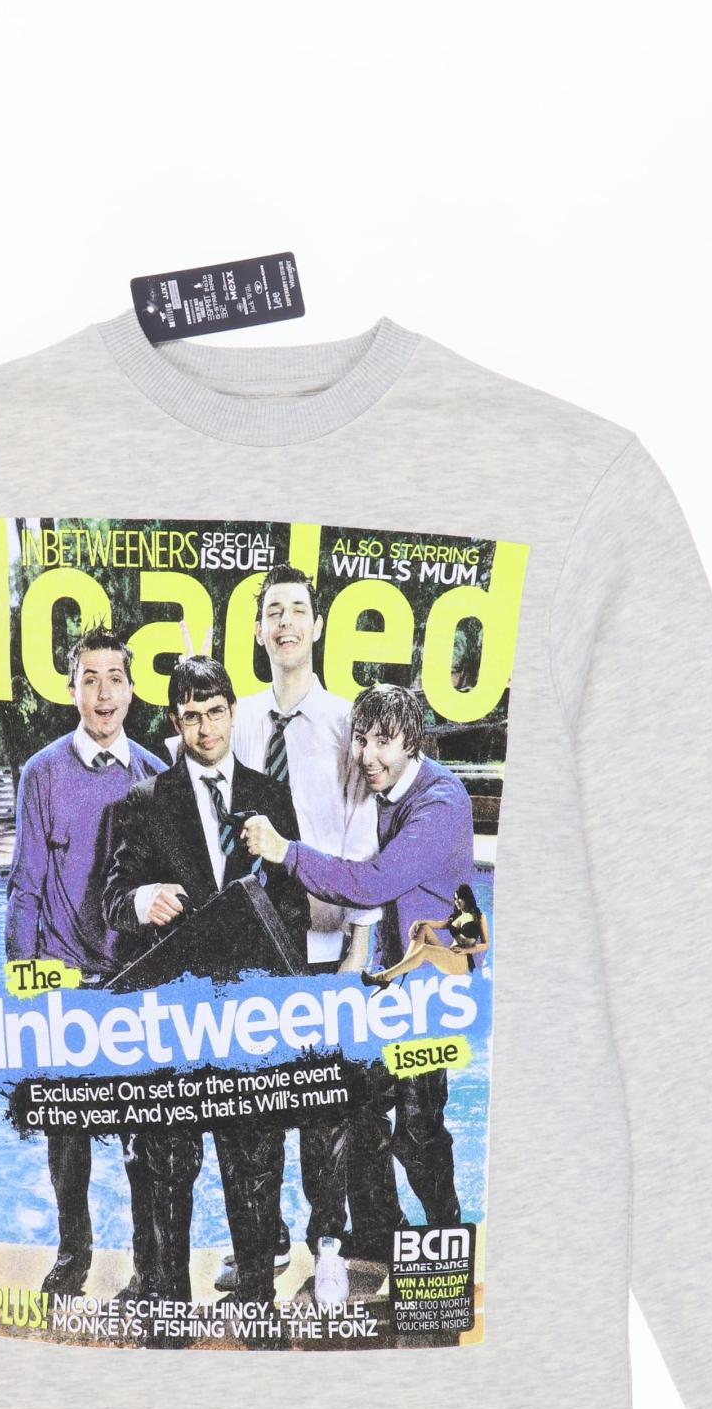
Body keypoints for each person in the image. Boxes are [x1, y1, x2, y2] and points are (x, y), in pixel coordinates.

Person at [103, 656, 308, 1330]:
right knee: (166, 1165)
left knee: (257, 1166)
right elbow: (112, 901)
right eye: (190, 716)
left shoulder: (270, 795)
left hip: (248, 1022)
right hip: (174, 1024)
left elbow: (294, 906)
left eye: (215, 712)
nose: (205, 727)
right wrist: (143, 899)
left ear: (232, 713)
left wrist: (278, 994)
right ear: (175, 721)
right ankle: (168, 1309)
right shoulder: (141, 803)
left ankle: (256, 1304)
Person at [241, 682, 474, 1233]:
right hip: (385, 988)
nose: (367, 756)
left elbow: (375, 882)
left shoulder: (441, 802)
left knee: (417, 1130)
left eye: (382, 742)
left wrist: (285, 851)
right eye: (361, 739)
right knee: (361, 1112)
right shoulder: (381, 793)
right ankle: (380, 1233)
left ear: (412, 742)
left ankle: (446, 1236)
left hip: (428, 995)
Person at [231, 566, 378, 1308]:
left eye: (297, 610)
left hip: (325, 950)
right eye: (273, 611)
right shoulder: (240, 722)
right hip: (258, 953)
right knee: (254, 1111)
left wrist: (359, 950)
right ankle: (263, 1240)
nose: (285, 621)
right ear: (259, 630)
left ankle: (328, 1248)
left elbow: (364, 834)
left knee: (325, 1115)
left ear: (317, 627)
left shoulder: (348, 725)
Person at [3, 627, 165, 1298]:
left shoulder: (155, 775)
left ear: (132, 690)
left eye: (115, 679)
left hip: (130, 986)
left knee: (144, 1139)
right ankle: (73, 1255)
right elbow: (25, 889)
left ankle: (150, 1266)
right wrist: (24, 983)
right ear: (71, 690)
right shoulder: (41, 774)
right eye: (90, 679)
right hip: (65, 982)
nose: (103, 693)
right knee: (65, 1136)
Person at [362, 882, 488, 989]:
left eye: (459, 899)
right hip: (448, 954)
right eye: (454, 899)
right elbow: (439, 924)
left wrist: (466, 950)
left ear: (467, 899)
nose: (456, 902)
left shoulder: (479, 917)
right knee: (424, 928)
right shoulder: (457, 916)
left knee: (425, 949)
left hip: (460, 962)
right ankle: (402, 967)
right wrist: (419, 922)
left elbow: (485, 944)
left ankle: (385, 977)